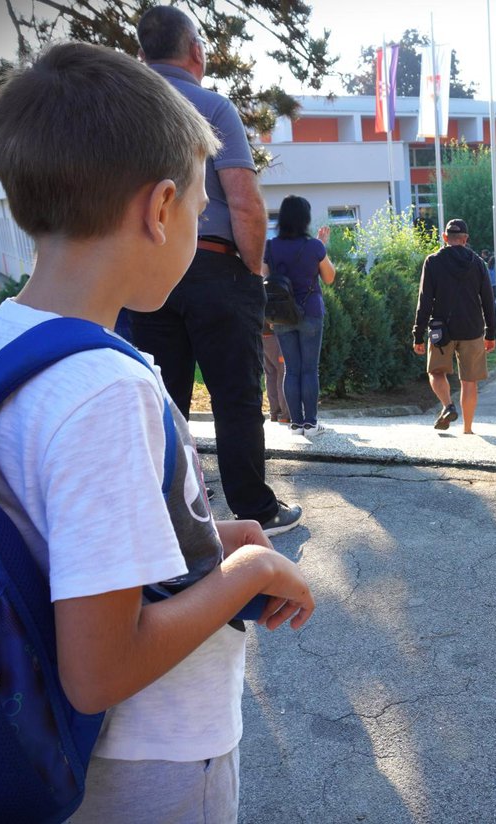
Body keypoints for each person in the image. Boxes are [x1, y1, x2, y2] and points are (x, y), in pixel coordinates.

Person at [0, 41, 315, 822]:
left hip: (75, 749)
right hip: (153, 761)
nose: (201, 224)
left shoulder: (3, 340)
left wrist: (213, 538)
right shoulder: (106, 391)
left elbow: (61, 531)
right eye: (200, 208)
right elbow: (101, 667)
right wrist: (254, 572)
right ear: (159, 210)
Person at [130, 6, 301, 533]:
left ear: (142, 52)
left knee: (162, 397)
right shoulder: (212, 108)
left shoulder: (121, 113)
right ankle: (254, 509)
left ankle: (166, 515)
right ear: (196, 52)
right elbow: (245, 204)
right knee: (235, 395)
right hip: (215, 265)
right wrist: (253, 274)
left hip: (146, 271)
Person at [413, 218, 496, 434]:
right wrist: (491, 333)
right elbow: (488, 300)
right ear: (466, 239)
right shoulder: (478, 263)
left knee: (436, 372)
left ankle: (447, 405)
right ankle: (468, 429)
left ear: (444, 237)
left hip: (442, 330)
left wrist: (418, 334)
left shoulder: (432, 262)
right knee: (469, 381)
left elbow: (424, 301)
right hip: (472, 329)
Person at [267, 195, 336, 437]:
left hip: (282, 315)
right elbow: (329, 277)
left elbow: (264, 278)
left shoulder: (271, 246)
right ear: (305, 219)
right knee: (309, 370)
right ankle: (311, 423)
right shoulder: (314, 247)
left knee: (292, 370)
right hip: (311, 313)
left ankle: (295, 424)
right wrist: (321, 247)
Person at [262, 320, 287, 424]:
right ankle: (286, 414)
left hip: (262, 335)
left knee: (270, 375)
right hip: (275, 335)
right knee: (283, 374)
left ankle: (274, 413)